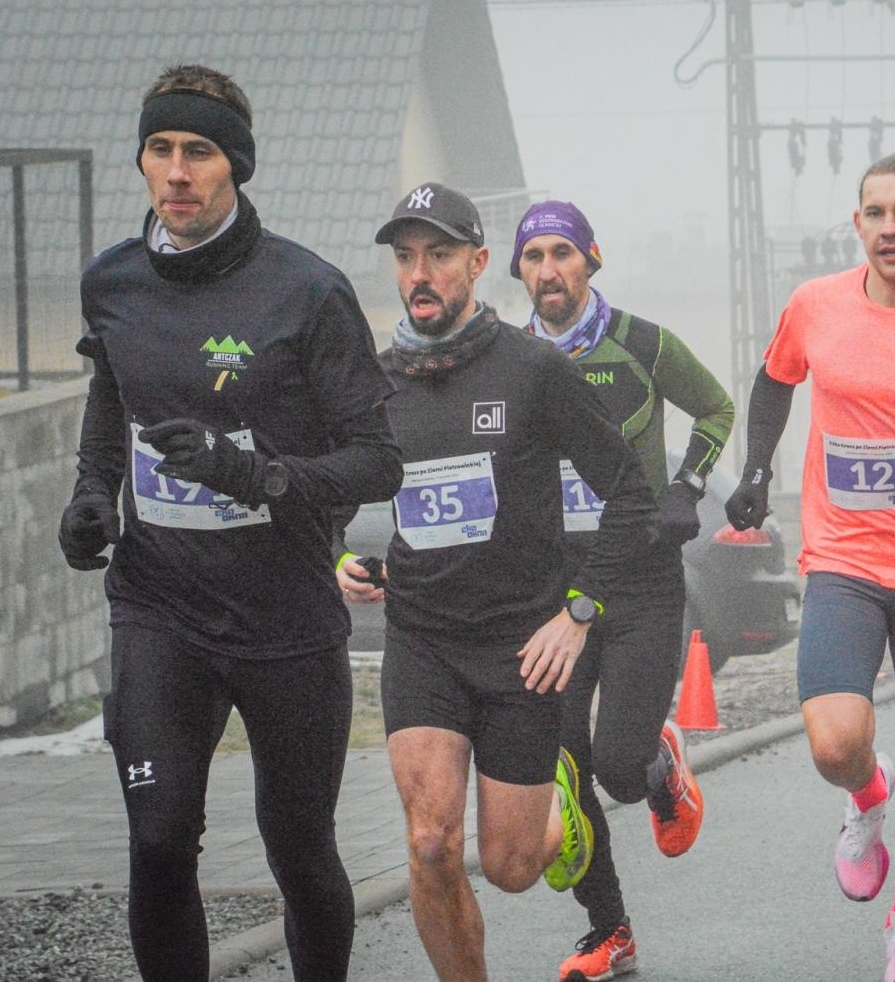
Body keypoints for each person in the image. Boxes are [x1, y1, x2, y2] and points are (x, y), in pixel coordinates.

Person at [56, 65, 403, 981]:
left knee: (300, 853)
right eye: (160, 150)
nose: (176, 172)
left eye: (198, 153)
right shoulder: (112, 284)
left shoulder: (306, 292)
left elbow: (378, 459)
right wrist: (93, 492)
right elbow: (109, 395)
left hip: (285, 621)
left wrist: (252, 472)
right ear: (142, 161)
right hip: (158, 609)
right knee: (161, 841)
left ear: (235, 167)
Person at [335, 183, 658, 981]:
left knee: (512, 866)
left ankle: (561, 806)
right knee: (432, 842)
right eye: (406, 256)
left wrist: (579, 612)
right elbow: (334, 486)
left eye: (439, 254)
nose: (421, 271)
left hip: (523, 648)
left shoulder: (534, 368)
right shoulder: (376, 383)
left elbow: (629, 493)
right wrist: (333, 551)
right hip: (423, 639)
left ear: (478, 264)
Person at [725, 153, 895, 981]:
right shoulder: (816, 305)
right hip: (841, 557)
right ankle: (864, 798)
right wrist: (756, 471)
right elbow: (773, 383)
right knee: (837, 742)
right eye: (875, 213)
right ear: (857, 224)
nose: (890, 229)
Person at [512, 199, 734, 981]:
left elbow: (716, 406)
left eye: (562, 254)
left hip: (640, 580)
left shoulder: (642, 342)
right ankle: (611, 931)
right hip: (556, 591)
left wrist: (687, 484)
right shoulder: (509, 358)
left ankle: (657, 763)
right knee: (563, 772)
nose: (548, 270)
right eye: (533, 256)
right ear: (518, 271)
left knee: (614, 765)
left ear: (590, 261)